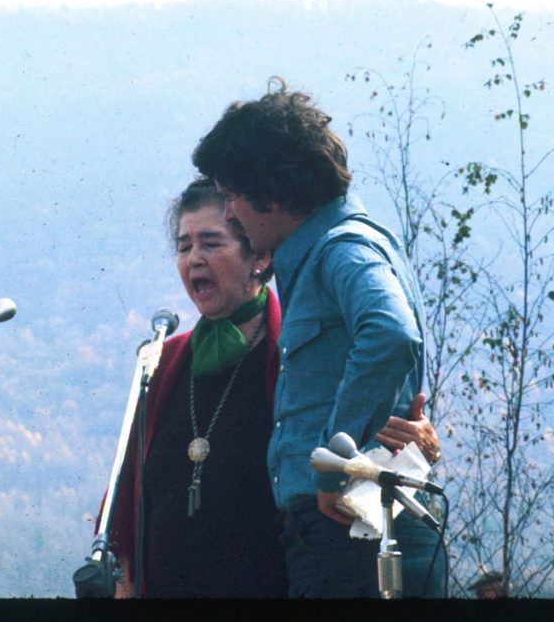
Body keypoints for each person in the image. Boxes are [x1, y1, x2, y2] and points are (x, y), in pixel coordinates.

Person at [101, 180, 440, 597]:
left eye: (211, 243)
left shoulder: (300, 360)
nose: (194, 259)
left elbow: (363, 433)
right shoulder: (165, 360)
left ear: (259, 257)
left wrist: (410, 447)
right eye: (184, 246)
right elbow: (130, 502)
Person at [192, 78, 439, 598]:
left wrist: (337, 463)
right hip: (345, 533)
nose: (231, 211)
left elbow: (392, 333)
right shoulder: (332, 251)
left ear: (275, 191)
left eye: (235, 194)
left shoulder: (339, 251)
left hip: (351, 537)